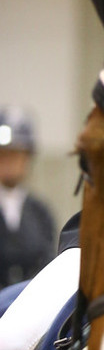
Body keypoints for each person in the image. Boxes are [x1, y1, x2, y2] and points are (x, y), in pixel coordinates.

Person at [0, 107, 56, 289]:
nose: (9, 163)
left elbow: (47, 262)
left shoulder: (40, 212)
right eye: (4, 155)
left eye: (16, 154)